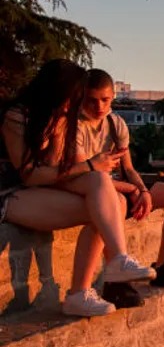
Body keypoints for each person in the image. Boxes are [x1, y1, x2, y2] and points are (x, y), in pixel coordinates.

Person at [1, 60, 155, 316]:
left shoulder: (60, 117)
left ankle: (102, 273)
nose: (77, 103)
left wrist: (58, 132)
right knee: (101, 196)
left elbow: (53, 168)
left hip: (42, 188)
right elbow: (29, 175)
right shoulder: (16, 116)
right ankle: (87, 287)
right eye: (76, 96)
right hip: (11, 193)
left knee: (108, 197)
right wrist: (92, 165)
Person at [71, 70, 164, 308]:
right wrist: (130, 190)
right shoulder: (74, 128)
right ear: (81, 98)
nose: (99, 106)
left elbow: (129, 168)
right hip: (96, 190)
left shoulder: (116, 124)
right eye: (92, 100)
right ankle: (115, 283)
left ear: (113, 96)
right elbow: (88, 175)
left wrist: (143, 191)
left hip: (120, 185)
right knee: (116, 201)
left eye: (105, 100)